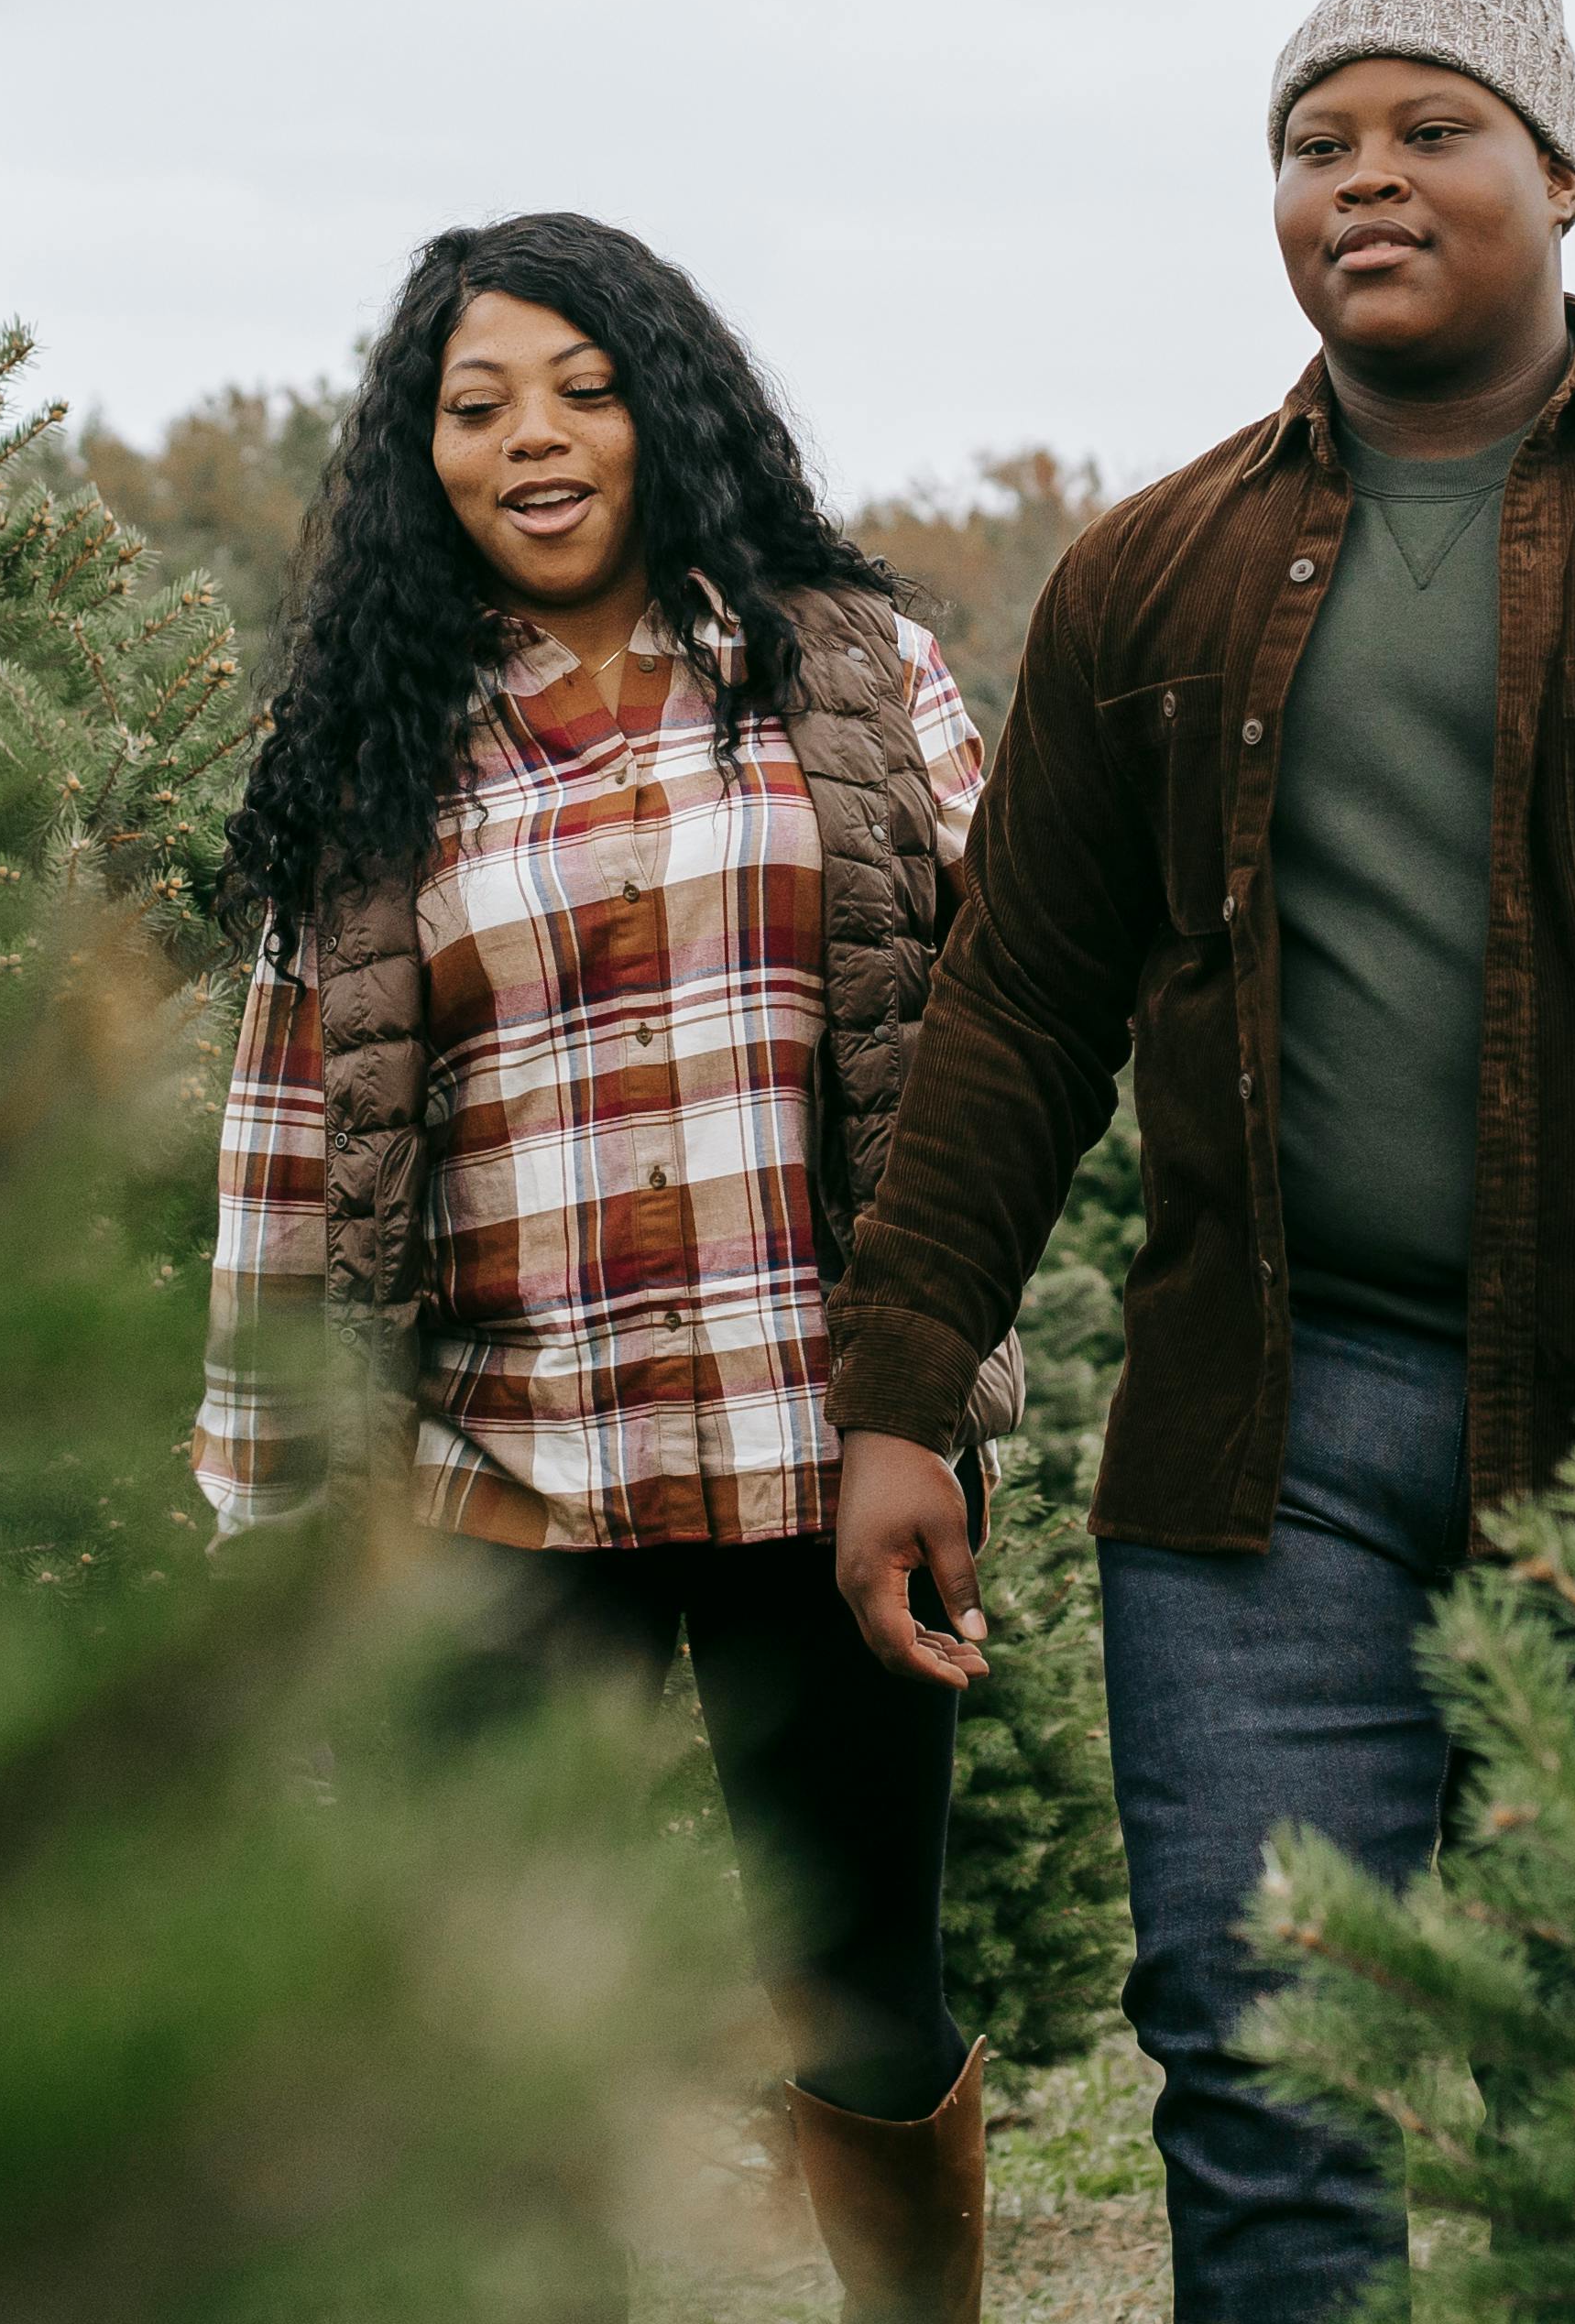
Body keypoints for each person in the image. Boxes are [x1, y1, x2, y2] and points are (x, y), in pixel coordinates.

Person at [818, 0, 1575, 2320]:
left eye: (1426, 128)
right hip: (1274, 1442)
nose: (1362, 178)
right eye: (1310, 144)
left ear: (1560, 171)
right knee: (1262, 2074)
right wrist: (904, 1394)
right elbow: (1015, 1008)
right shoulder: (1154, 578)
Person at [192, 211, 1023, 2324]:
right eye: (478, 407)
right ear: (424, 456)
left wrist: (935, 1384)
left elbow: (1008, 1017)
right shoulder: (373, 738)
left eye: (582, 388)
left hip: (812, 1461)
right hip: (498, 1484)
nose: (533, 439)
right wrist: (266, 1492)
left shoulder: (849, 669)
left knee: (858, 1991)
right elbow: (287, 1122)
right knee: (502, 2010)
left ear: (669, 414)